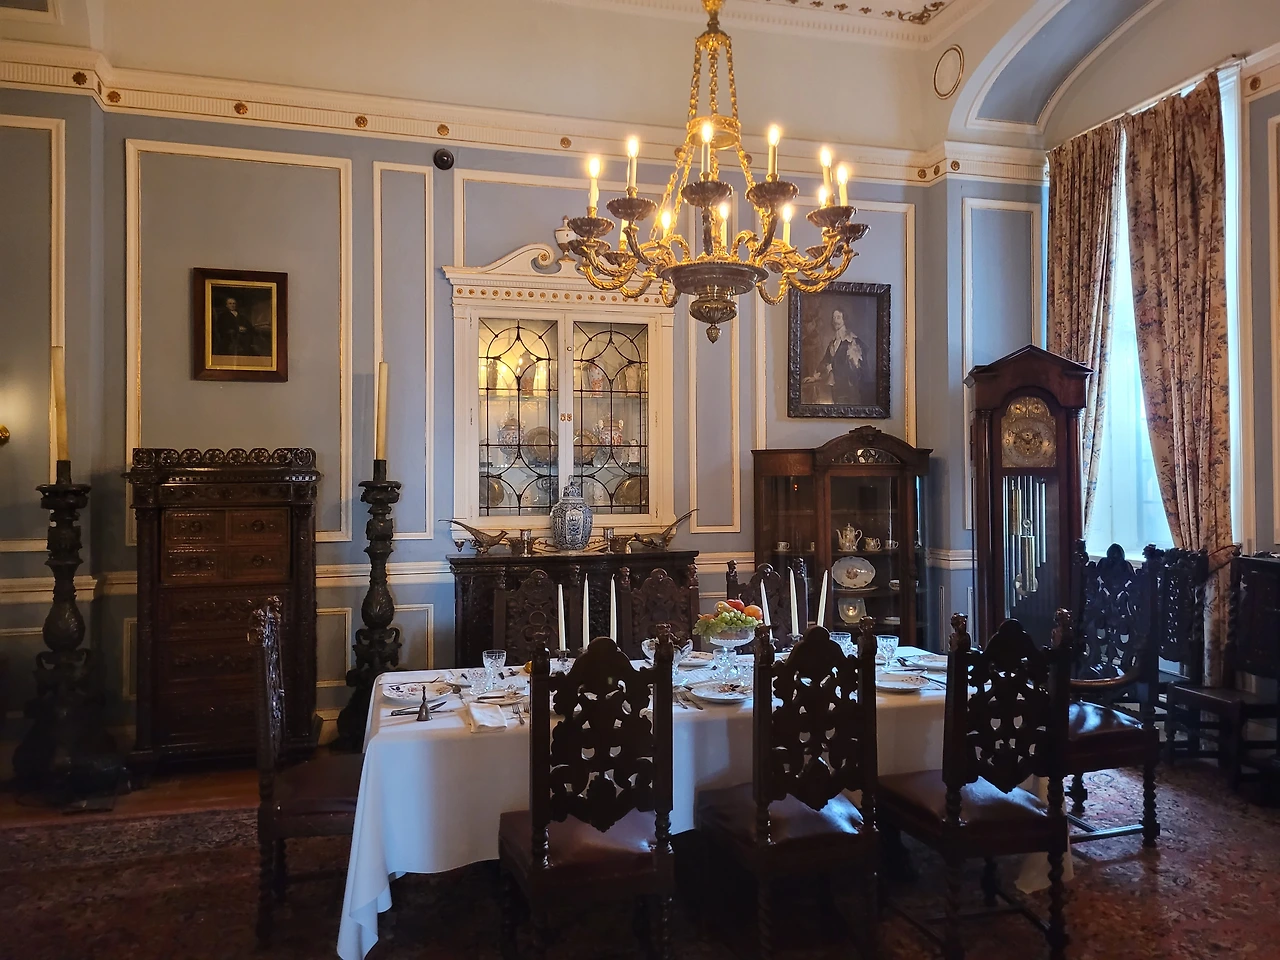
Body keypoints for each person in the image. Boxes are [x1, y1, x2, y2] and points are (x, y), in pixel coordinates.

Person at [803, 307, 871, 405]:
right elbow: (826, 360)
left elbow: (857, 369)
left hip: (850, 390)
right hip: (836, 388)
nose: (835, 321)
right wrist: (815, 377)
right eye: (833, 318)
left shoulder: (853, 342)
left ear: (844, 320)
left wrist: (833, 368)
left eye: (838, 317)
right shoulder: (833, 343)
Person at [211, 293, 269, 358]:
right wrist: (237, 328)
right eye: (230, 303)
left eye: (234, 303)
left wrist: (248, 329)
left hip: (244, 335)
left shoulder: (241, 315)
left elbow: (248, 325)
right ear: (226, 305)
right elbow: (222, 326)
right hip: (230, 337)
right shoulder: (223, 316)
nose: (232, 305)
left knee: (255, 340)